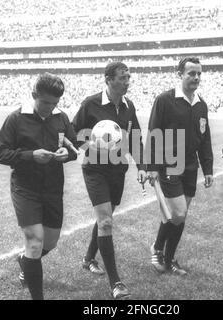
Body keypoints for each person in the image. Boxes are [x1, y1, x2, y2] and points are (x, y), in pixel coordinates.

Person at [0, 73, 78, 299]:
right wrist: (31, 155)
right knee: (35, 240)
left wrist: (65, 154)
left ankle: (25, 261)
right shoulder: (16, 118)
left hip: (53, 189)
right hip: (25, 189)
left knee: (49, 242)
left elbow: (73, 148)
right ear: (34, 96)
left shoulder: (62, 118)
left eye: (55, 103)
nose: (50, 107)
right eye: (46, 102)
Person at [72, 61, 147, 299]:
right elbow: (73, 134)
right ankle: (116, 283)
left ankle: (87, 259)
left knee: (105, 217)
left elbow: (135, 139)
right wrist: (90, 144)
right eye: (122, 78)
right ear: (109, 80)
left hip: (118, 171)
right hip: (95, 170)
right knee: (105, 222)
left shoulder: (128, 106)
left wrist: (141, 166)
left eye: (128, 77)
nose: (127, 82)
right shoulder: (91, 104)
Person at [146, 57, 214, 276]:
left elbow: (205, 138)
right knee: (179, 212)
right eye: (191, 73)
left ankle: (169, 257)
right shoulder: (165, 100)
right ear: (180, 75)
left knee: (179, 216)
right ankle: (157, 248)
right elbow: (153, 133)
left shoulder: (201, 104)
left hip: (190, 166)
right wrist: (152, 166)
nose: (195, 77)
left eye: (198, 74)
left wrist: (209, 169)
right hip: (169, 165)